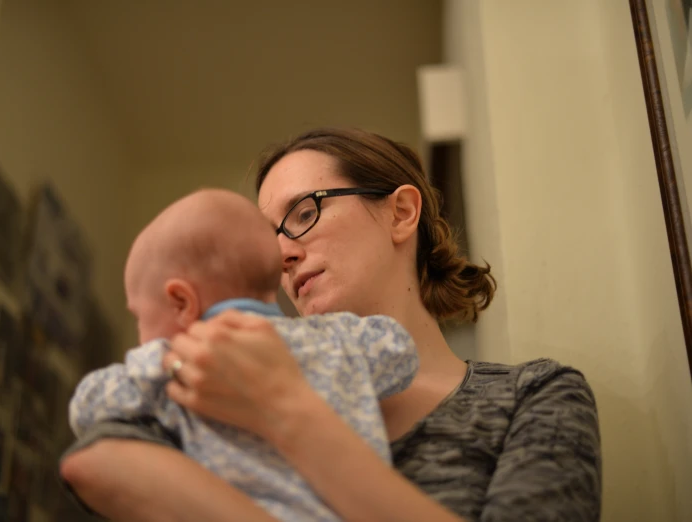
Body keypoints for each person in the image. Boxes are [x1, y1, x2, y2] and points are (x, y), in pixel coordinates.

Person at [61, 128, 602, 522]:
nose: (282, 257)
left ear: (401, 213)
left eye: (303, 213)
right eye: (268, 237)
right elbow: (94, 460)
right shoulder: (199, 378)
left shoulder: (532, 397)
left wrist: (286, 411)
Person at [64, 187, 419, 521]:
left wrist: (159, 363)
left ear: (181, 302)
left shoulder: (179, 364)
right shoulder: (338, 338)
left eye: (140, 316)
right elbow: (401, 353)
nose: (141, 334)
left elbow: (88, 407)